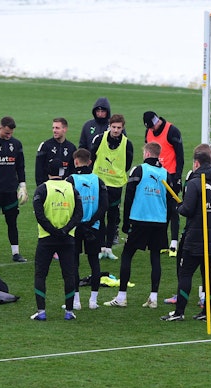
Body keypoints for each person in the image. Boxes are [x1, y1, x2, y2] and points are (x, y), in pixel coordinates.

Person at [161, 145, 211, 321]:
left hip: (195, 238)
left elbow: (187, 209)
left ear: (196, 163)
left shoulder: (194, 183)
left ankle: (179, 312)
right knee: (208, 275)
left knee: (185, 274)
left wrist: (178, 207)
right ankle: (207, 312)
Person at [104, 142, 168, 309]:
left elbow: (129, 197)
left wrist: (125, 222)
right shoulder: (165, 173)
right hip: (159, 221)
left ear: (146, 153)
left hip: (139, 219)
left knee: (127, 255)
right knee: (155, 258)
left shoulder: (138, 170)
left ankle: (122, 296)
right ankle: (153, 297)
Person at [31, 158, 83, 321]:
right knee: (69, 275)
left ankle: (41, 311)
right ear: (63, 172)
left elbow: (39, 215)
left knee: (41, 275)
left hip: (46, 238)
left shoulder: (42, 189)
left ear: (48, 171)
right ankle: (69, 311)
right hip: (67, 239)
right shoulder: (71, 188)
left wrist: (52, 231)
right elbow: (79, 214)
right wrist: (65, 230)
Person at [0, 116, 29, 263]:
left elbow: (20, 167)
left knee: (12, 222)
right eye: (7, 132)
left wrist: (22, 185)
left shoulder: (16, 144)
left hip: (10, 191)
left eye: (11, 133)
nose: (9, 135)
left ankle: (16, 253)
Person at [65, 148, 108, 310]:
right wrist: (91, 222)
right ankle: (93, 301)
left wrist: (79, 222)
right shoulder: (98, 181)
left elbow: (69, 206)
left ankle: (76, 301)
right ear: (90, 162)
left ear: (76, 161)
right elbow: (104, 206)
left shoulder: (70, 180)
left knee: (73, 263)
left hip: (75, 228)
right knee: (94, 262)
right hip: (94, 228)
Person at [90, 113, 134, 260]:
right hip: (100, 183)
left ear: (123, 128)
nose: (115, 130)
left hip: (116, 185)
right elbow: (92, 156)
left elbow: (127, 163)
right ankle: (101, 247)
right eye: (113, 127)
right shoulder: (99, 138)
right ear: (109, 126)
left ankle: (108, 248)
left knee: (113, 217)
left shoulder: (127, 144)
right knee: (100, 216)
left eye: (118, 128)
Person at [143, 110, 185, 256]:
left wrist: (178, 177)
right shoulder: (148, 132)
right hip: (155, 176)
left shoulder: (172, 131)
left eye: (152, 126)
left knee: (173, 209)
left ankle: (174, 244)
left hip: (171, 176)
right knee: (159, 208)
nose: (151, 130)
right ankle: (162, 242)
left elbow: (180, 155)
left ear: (156, 121)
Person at [35, 117, 77, 187]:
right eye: (53, 128)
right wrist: (41, 188)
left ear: (65, 129)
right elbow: (39, 170)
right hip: (49, 188)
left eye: (57, 128)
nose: (54, 130)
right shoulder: (45, 146)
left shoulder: (71, 148)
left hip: (65, 188)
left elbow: (73, 170)